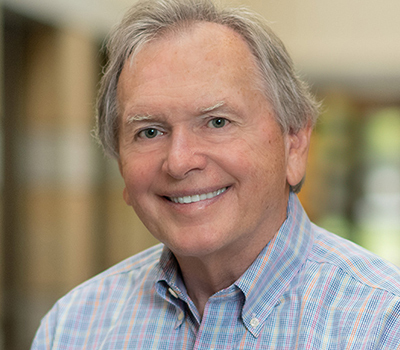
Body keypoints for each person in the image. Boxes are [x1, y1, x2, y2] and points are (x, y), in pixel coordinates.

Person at [31, 0, 400, 348]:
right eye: (150, 131)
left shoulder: (384, 325)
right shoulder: (71, 329)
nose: (179, 161)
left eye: (217, 122)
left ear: (294, 145)